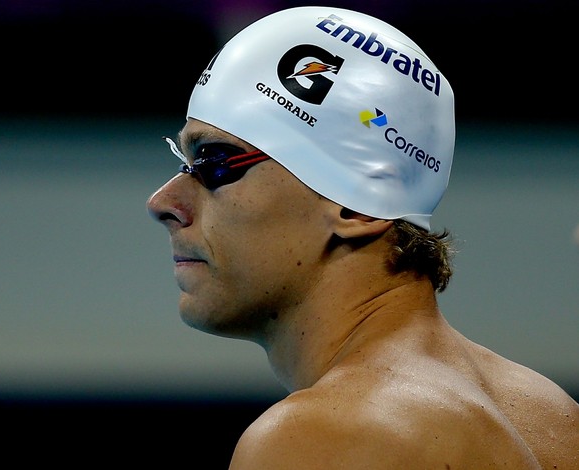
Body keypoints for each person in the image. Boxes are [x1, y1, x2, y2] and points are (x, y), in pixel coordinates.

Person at [146, 6, 579, 469]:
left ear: (358, 204)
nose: (162, 202)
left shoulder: (322, 438)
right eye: (181, 161)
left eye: (215, 160)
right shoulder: (555, 418)